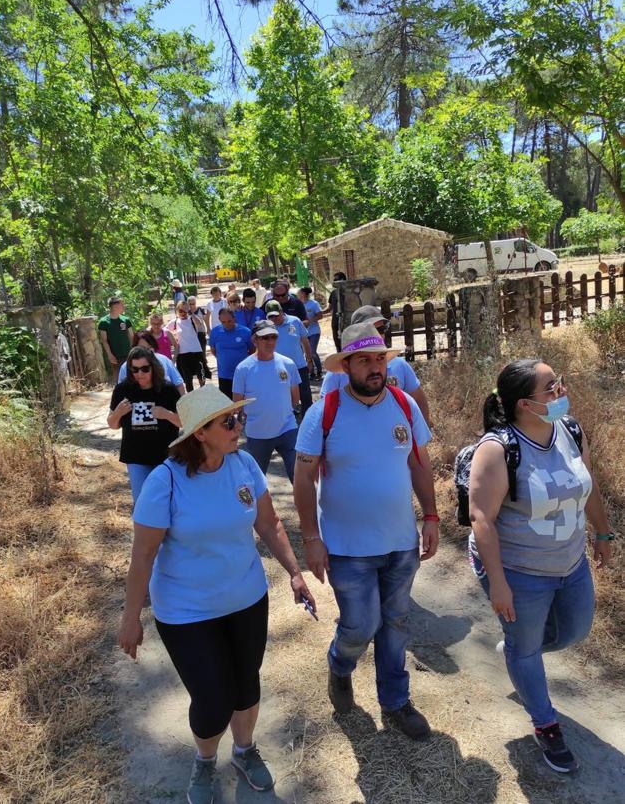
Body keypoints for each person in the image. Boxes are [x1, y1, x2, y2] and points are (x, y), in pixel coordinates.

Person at [118, 385, 316, 804]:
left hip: (246, 599)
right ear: (200, 434)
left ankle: (244, 750)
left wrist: (295, 574)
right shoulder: (165, 481)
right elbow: (144, 555)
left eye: (238, 418)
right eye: (228, 421)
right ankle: (205, 761)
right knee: (212, 699)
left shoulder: (242, 464)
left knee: (245, 685)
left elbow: (269, 524)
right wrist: (130, 616)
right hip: (186, 612)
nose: (238, 426)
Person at [293, 322, 438, 740]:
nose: (375, 368)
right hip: (346, 546)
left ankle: (395, 701)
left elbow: (419, 464)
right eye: (365, 360)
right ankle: (340, 664)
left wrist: (430, 516)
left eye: (380, 359)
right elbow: (303, 479)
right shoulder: (326, 411)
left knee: (395, 622)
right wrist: (311, 538)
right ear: (347, 366)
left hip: (400, 542)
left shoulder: (405, 405)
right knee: (360, 624)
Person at [468, 360, 613, 774]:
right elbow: (482, 519)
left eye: (559, 382)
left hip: (571, 563)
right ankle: (545, 723)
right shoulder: (497, 450)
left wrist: (602, 534)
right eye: (552, 388)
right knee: (528, 646)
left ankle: (517, 651)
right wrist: (498, 583)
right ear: (525, 404)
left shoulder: (570, 430)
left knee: (574, 630)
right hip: (520, 571)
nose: (561, 392)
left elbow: (589, 484)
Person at [320, 306, 432, 427]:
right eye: (372, 329)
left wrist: (423, 434)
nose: (379, 334)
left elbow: (419, 400)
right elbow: (325, 410)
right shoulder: (336, 374)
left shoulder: (399, 365)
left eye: (382, 329)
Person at [107, 346, 181, 503]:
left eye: (145, 369)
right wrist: (118, 413)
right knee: (142, 503)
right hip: (135, 457)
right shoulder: (122, 390)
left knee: (168, 501)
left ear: (153, 367)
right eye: (134, 370)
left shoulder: (168, 390)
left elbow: (184, 422)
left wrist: (166, 415)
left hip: (166, 456)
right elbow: (112, 424)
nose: (139, 374)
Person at [233, 320, 301, 482]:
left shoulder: (288, 363)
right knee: (256, 482)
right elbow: (237, 403)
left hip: (288, 429)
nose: (270, 342)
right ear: (254, 340)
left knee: (299, 477)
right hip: (258, 434)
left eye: (273, 337)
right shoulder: (243, 368)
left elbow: (295, 398)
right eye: (265, 338)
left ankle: (307, 508)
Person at [266, 301, 313, 415]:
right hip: (279, 369)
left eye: (276, 315)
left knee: (305, 395)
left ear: (281, 311)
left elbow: (304, 341)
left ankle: (309, 419)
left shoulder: (295, 321)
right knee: (284, 396)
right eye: (270, 316)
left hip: (299, 366)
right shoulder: (266, 327)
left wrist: (309, 359)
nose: (274, 318)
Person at [118, 331, 185, 397]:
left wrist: (181, 406)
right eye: (142, 348)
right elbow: (121, 392)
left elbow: (179, 384)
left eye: (149, 347)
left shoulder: (165, 360)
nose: (146, 351)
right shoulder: (125, 367)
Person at [208, 308, 253, 399]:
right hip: (224, 375)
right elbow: (213, 350)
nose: (227, 324)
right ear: (219, 320)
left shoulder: (246, 332)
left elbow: (252, 350)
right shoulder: (215, 332)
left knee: (244, 403)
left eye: (229, 321)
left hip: (243, 374)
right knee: (227, 406)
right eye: (223, 322)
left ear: (234, 318)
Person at [167, 301, 206, 393]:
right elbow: (165, 331)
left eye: (186, 310)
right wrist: (173, 339)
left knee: (201, 376)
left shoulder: (192, 319)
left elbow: (200, 323)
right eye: (181, 310)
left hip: (196, 351)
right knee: (187, 379)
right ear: (176, 311)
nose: (183, 313)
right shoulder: (175, 323)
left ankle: (203, 393)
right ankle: (191, 397)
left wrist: (191, 313)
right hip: (183, 354)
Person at [98, 296, 134, 382]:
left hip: (128, 354)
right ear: (115, 306)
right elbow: (104, 341)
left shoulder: (126, 320)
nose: (124, 306)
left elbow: (131, 336)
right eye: (122, 305)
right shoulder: (104, 322)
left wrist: (134, 351)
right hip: (115, 356)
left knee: (132, 376)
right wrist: (110, 355)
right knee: (119, 379)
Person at [297, 286, 324, 380]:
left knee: (312, 352)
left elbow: (320, 315)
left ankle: (319, 371)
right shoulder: (298, 304)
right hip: (303, 333)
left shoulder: (313, 304)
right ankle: (311, 372)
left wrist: (310, 321)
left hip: (314, 331)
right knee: (306, 353)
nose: (297, 294)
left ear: (303, 294)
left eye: (299, 292)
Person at [187, 296, 213, 380]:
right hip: (191, 336)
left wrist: (208, 329)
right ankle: (197, 372)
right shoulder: (186, 312)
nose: (191, 306)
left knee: (202, 354)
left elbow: (201, 322)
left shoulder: (200, 310)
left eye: (193, 304)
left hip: (200, 334)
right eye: (190, 304)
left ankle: (204, 373)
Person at [327, 273, 346, 353]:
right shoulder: (333, 293)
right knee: (338, 344)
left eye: (336, 279)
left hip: (346, 321)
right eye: (334, 280)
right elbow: (329, 308)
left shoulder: (349, 292)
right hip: (335, 322)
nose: (335, 282)